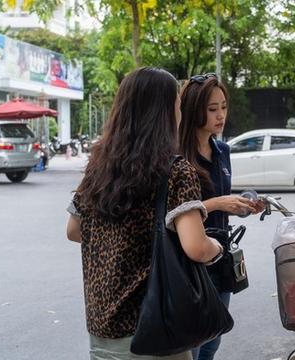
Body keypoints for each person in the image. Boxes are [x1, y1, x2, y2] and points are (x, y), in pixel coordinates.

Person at [66, 67, 224, 360]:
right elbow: (196, 247)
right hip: (153, 326)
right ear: (164, 112)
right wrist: (218, 248)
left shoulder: (98, 167)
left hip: (102, 325)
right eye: (177, 104)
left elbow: (74, 230)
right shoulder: (176, 171)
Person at [178, 73, 263, 360]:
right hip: (189, 261)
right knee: (193, 343)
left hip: (221, 255)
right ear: (192, 109)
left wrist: (242, 205)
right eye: (212, 109)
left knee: (213, 340)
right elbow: (174, 213)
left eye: (224, 107)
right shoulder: (177, 156)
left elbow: (224, 199)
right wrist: (216, 203)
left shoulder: (222, 150)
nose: (221, 115)